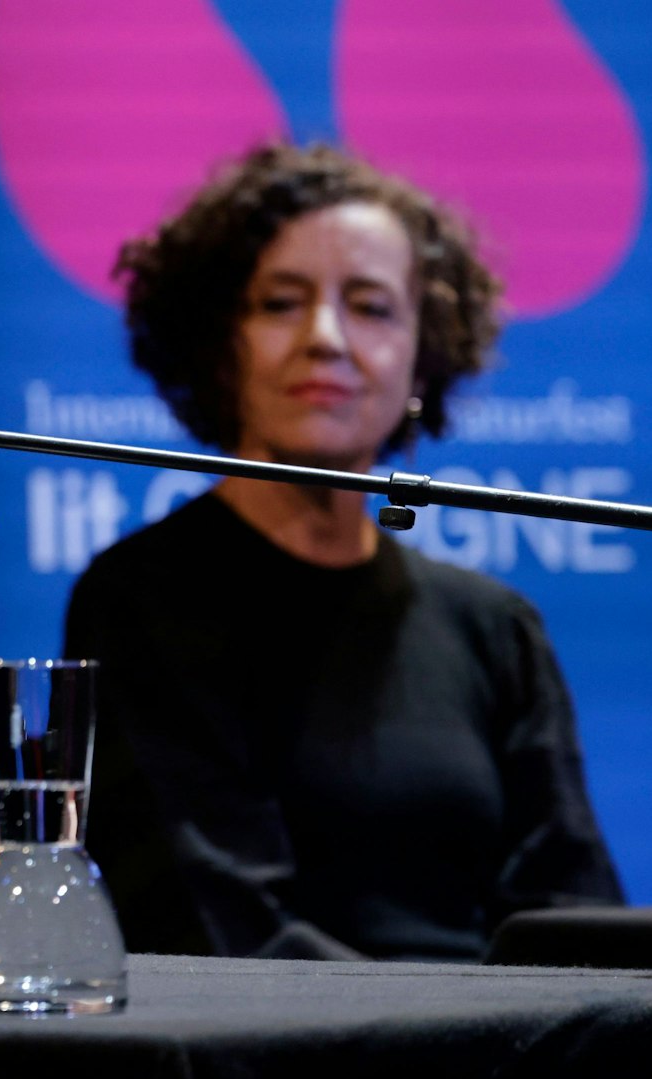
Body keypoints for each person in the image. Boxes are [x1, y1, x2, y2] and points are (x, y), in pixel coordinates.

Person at [62, 141, 622, 962]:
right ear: (223, 346)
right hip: (284, 1069)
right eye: (281, 303)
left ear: (423, 356)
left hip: (508, 1066)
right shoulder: (141, 600)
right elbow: (217, 923)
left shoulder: (495, 626)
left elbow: (578, 912)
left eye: (372, 306)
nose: (326, 337)